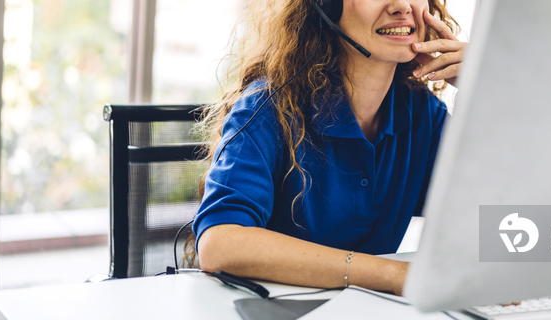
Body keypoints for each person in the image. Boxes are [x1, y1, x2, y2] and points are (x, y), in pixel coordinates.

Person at [183, 0, 465, 296]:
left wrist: (489, 91)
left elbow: (504, 232)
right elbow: (220, 245)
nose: (400, 6)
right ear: (326, 6)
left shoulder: (424, 115)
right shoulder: (270, 108)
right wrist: (392, 275)